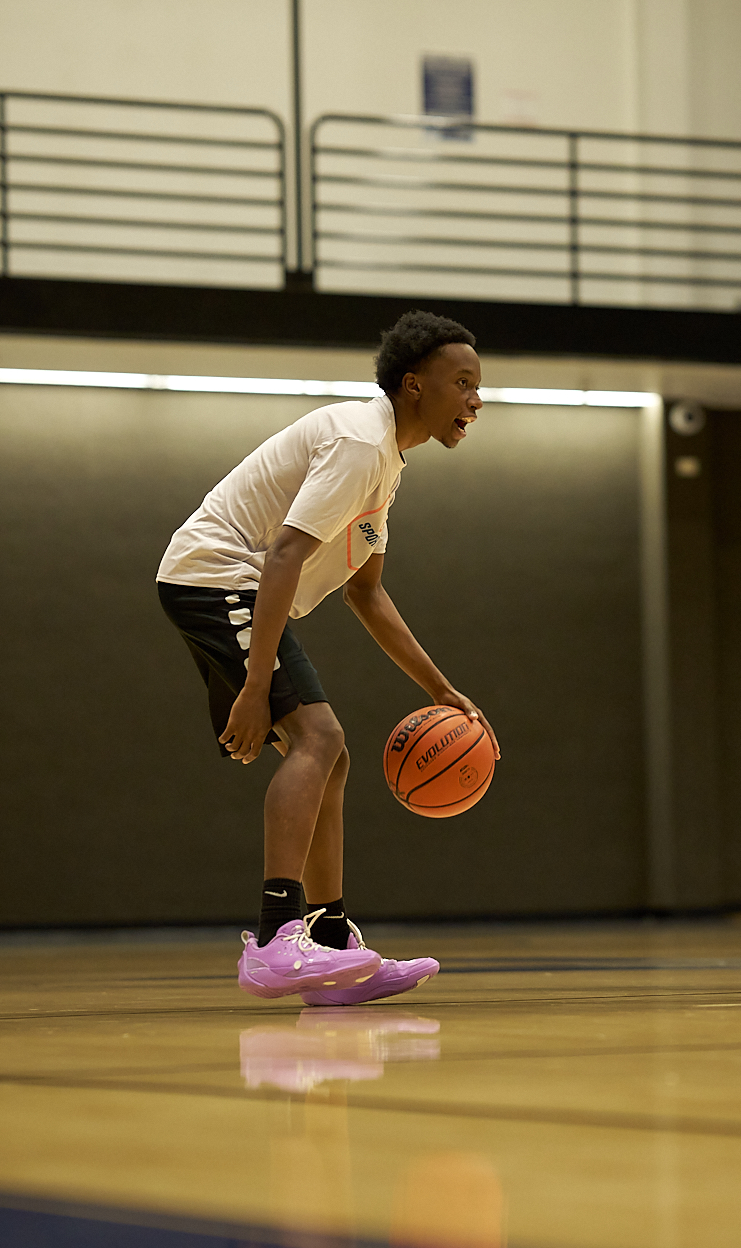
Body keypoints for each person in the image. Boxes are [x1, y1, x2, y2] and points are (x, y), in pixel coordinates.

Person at [157, 310, 497, 1004]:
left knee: (329, 755)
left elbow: (365, 592)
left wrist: (440, 688)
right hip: (215, 576)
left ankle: (333, 943)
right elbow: (285, 554)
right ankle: (275, 940)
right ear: (413, 385)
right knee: (320, 737)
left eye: (477, 386)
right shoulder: (359, 443)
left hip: (238, 583)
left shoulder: (385, 461)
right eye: (462, 383)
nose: (475, 399)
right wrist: (255, 688)